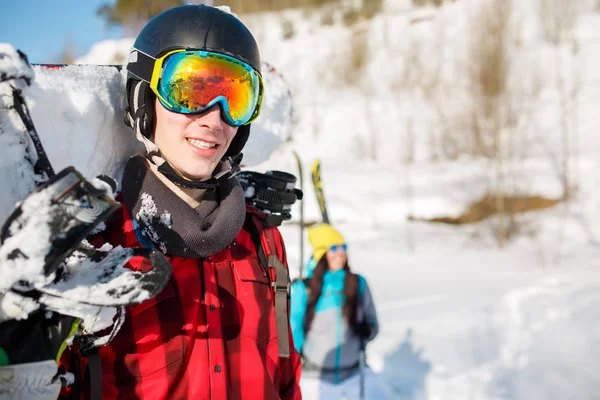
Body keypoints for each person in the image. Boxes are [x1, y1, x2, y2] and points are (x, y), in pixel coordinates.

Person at [1, 5, 302, 400]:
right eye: (190, 91)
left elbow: (285, 378)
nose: (215, 118)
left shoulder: (262, 240)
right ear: (144, 96)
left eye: (235, 98)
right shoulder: (98, 247)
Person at [290, 223, 390, 399]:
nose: (341, 253)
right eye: (334, 248)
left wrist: (367, 330)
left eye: (343, 247)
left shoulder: (358, 284)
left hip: (354, 377)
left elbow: (373, 323)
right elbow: (293, 330)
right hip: (314, 379)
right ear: (321, 253)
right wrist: (297, 358)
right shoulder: (303, 289)